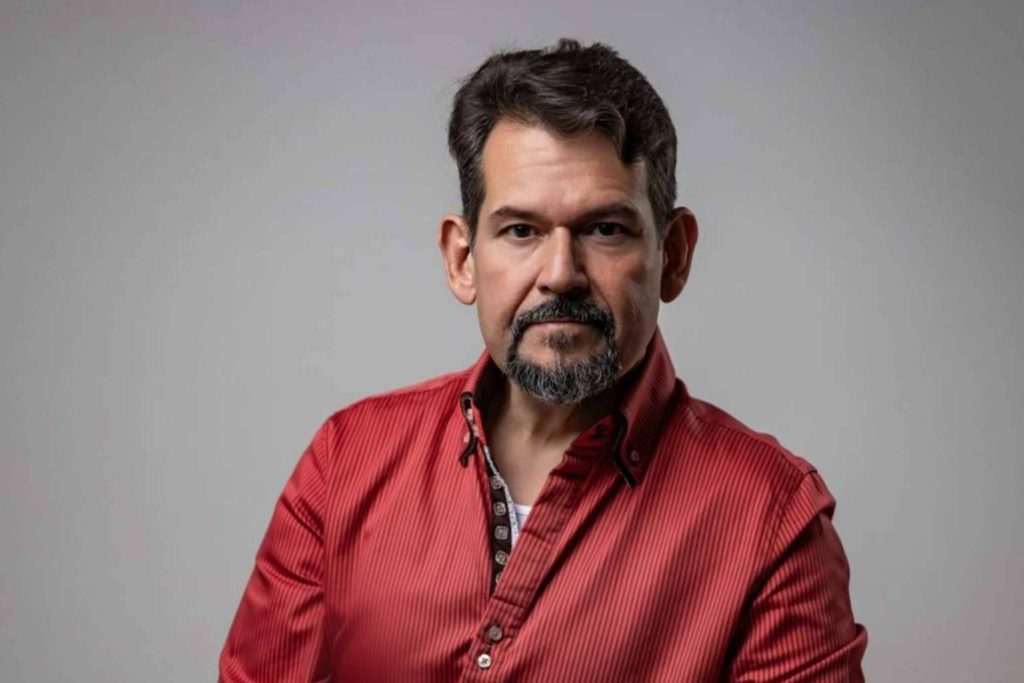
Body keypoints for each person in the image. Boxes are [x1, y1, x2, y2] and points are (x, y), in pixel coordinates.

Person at [220, 38, 867, 682]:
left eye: (605, 229)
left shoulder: (773, 520)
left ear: (672, 255)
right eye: (521, 230)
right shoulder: (346, 462)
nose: (560, 274)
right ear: (462, 259)